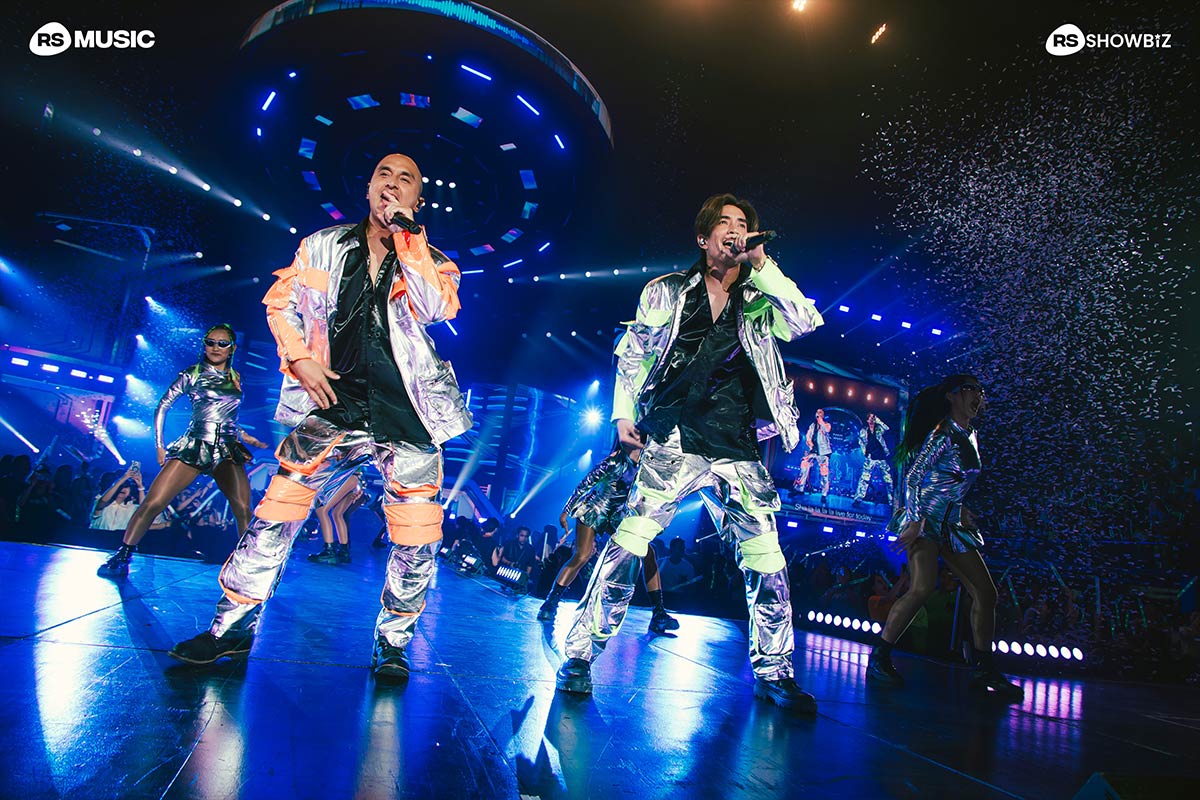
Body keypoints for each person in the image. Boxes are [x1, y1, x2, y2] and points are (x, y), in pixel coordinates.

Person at [168, 153, 472, 680]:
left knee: (416, 535)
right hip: (333, 403)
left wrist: (408, 237)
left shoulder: (434, 259)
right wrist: (300, 358)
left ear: (418, 199)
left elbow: (432, 308)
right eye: (383, 175)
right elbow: (280, 305)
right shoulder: (321, 245)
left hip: (409, 413)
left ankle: (393, 642)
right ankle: (229, 628)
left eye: (405, 179)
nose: (392, 184)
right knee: (274, 516)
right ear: (368, 188)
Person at [555, 193, 824, 714]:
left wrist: (763, 264)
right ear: (704, 238)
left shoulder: (759, 298)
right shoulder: (667, 291)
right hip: (673, 437)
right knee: (629, 545)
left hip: (736, 445)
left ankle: (775, 671)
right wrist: (623, 414)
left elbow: (806, 320)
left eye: (743, 223)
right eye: (725, 222)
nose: (735, 229)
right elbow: (635, 353)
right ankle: (581, 654)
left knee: (767, 559)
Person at [865, 374, 1023, 700]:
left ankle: (984, 670)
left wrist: (961, 508)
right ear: (952, 396)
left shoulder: (970, 434)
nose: (978, 396)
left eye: (981, 391)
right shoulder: (943, 434)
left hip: (951, 523)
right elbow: (913, 477)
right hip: (925, 520)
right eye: (970, 389)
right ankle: (879, 657)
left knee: (986, 593)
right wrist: (915, 520)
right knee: (922, 587)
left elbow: (952, 481)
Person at [97, 324, 268, 577]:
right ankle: (123, 555)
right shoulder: (192, 374)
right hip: (195, 445)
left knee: (243, 508)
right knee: (154, 502)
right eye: (210, 342)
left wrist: (244, 435)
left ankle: (247, 567)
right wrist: (159, 445)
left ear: (232, 348)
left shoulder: (236, 377)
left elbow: (225, 414)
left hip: (226, 448)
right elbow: (163, 406)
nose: (216, 348)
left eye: (222, 343)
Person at [537, 447, 679, 634]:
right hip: (596, 509)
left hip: (618, 517)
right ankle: (550, 602)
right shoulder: (614, 461)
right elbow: (585, 484)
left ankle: (659, 613)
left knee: (649, 553)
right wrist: (566, 510)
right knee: (583, 555)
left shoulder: (647, 467)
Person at [307, 471, 365, 565]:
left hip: (346, 477)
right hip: (355, 480)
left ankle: (329, 551)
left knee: (322, 510)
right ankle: (344, 552)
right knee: (337, 514)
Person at [853, 413, 894, 506]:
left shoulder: (879, 429)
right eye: (871, 417)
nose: (872, 419)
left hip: (881, 457)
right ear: (867, 420)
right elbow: (861, 441)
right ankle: (858, 499)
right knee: (864, 479)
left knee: (888, 480)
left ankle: (892, 501)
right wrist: (864, 452)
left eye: (873, 417)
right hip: (870, 457)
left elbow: (887, 429)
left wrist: (879, 421)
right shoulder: (864, 431)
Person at [794, 408, 833, 505]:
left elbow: (827, 430)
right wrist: (810, 445)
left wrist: (821, 420)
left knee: (824, 473)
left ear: (823, 415)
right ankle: (799, 489)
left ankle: (824, 494)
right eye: (817, 412)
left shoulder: (826, 424)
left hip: (824, 452)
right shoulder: (812, 425)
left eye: (820, 413)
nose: (818, 414)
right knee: (804, 464)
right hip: (813, 451)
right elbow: (808, 436)